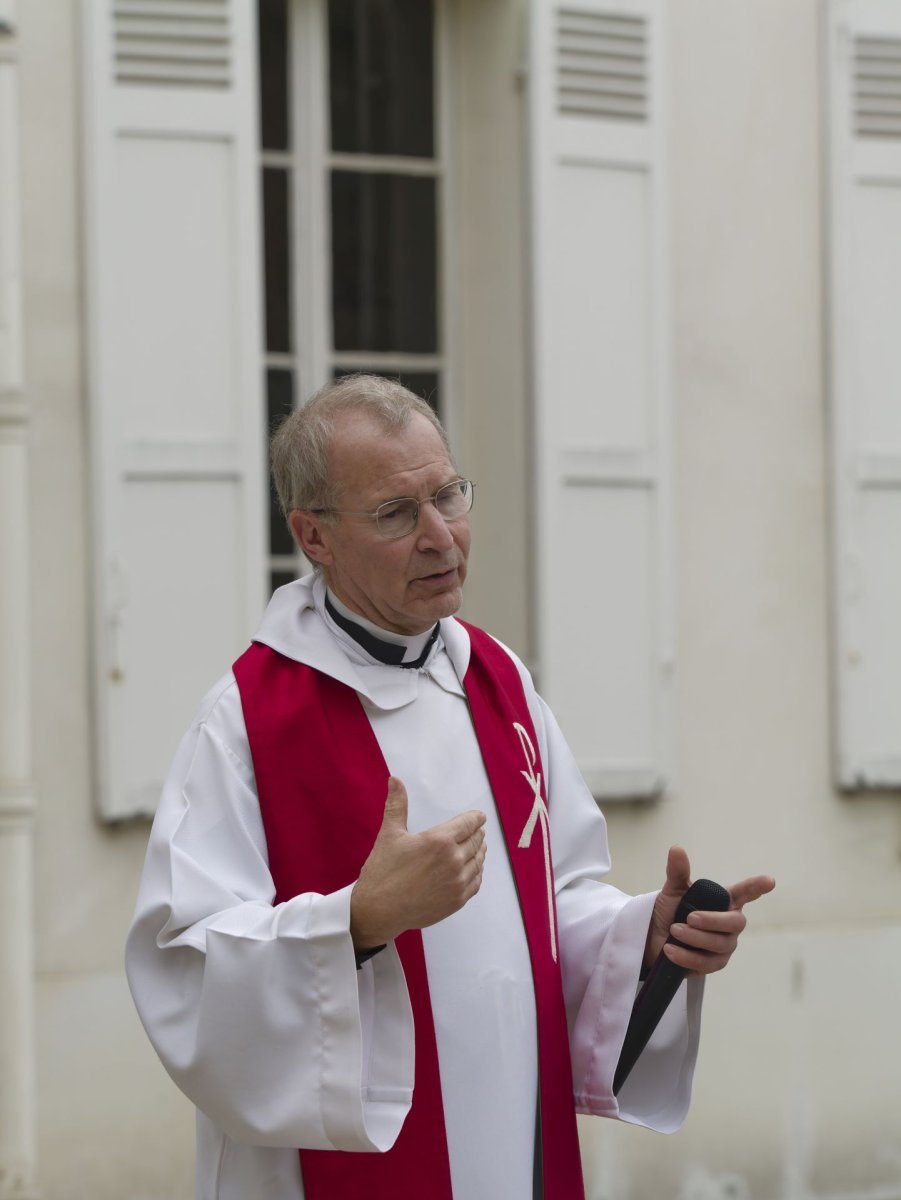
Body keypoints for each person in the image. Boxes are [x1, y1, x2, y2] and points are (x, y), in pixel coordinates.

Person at [126, 374, 774, 1200]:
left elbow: (553, 900)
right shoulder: (248, 719)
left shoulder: (497, 680)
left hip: (512, 1130)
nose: (441, 536)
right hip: (351, 1162)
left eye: (448, 496)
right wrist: (357, 920)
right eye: (397, 514)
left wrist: (642, 939)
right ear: (311, 536)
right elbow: (186, 976)